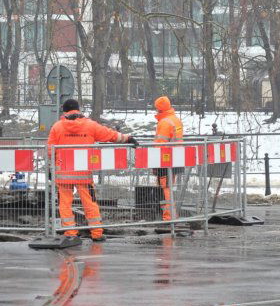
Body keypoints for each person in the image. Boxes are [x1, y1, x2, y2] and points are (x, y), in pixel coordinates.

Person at [47, 99, 138, 242]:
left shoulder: (57, 127)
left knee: (65, 204)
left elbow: (50, 150)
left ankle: (70, 233)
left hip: (63, 173)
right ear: (79, 109)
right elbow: (109, 135)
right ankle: (96, 233)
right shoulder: (90, 125)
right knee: (89, 202)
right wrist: (127, 138)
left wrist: (51, 168)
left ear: (64, 112)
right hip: (83, 173)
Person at [153, 96, 184, 221]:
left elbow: (159, 145)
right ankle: (171, 215)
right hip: (176, 158)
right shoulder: (175, 120)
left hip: (165, 160)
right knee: (168, 187)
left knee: (165, 188)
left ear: (159, 109)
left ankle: (168, 217)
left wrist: (155, 163)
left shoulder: (164, 123)